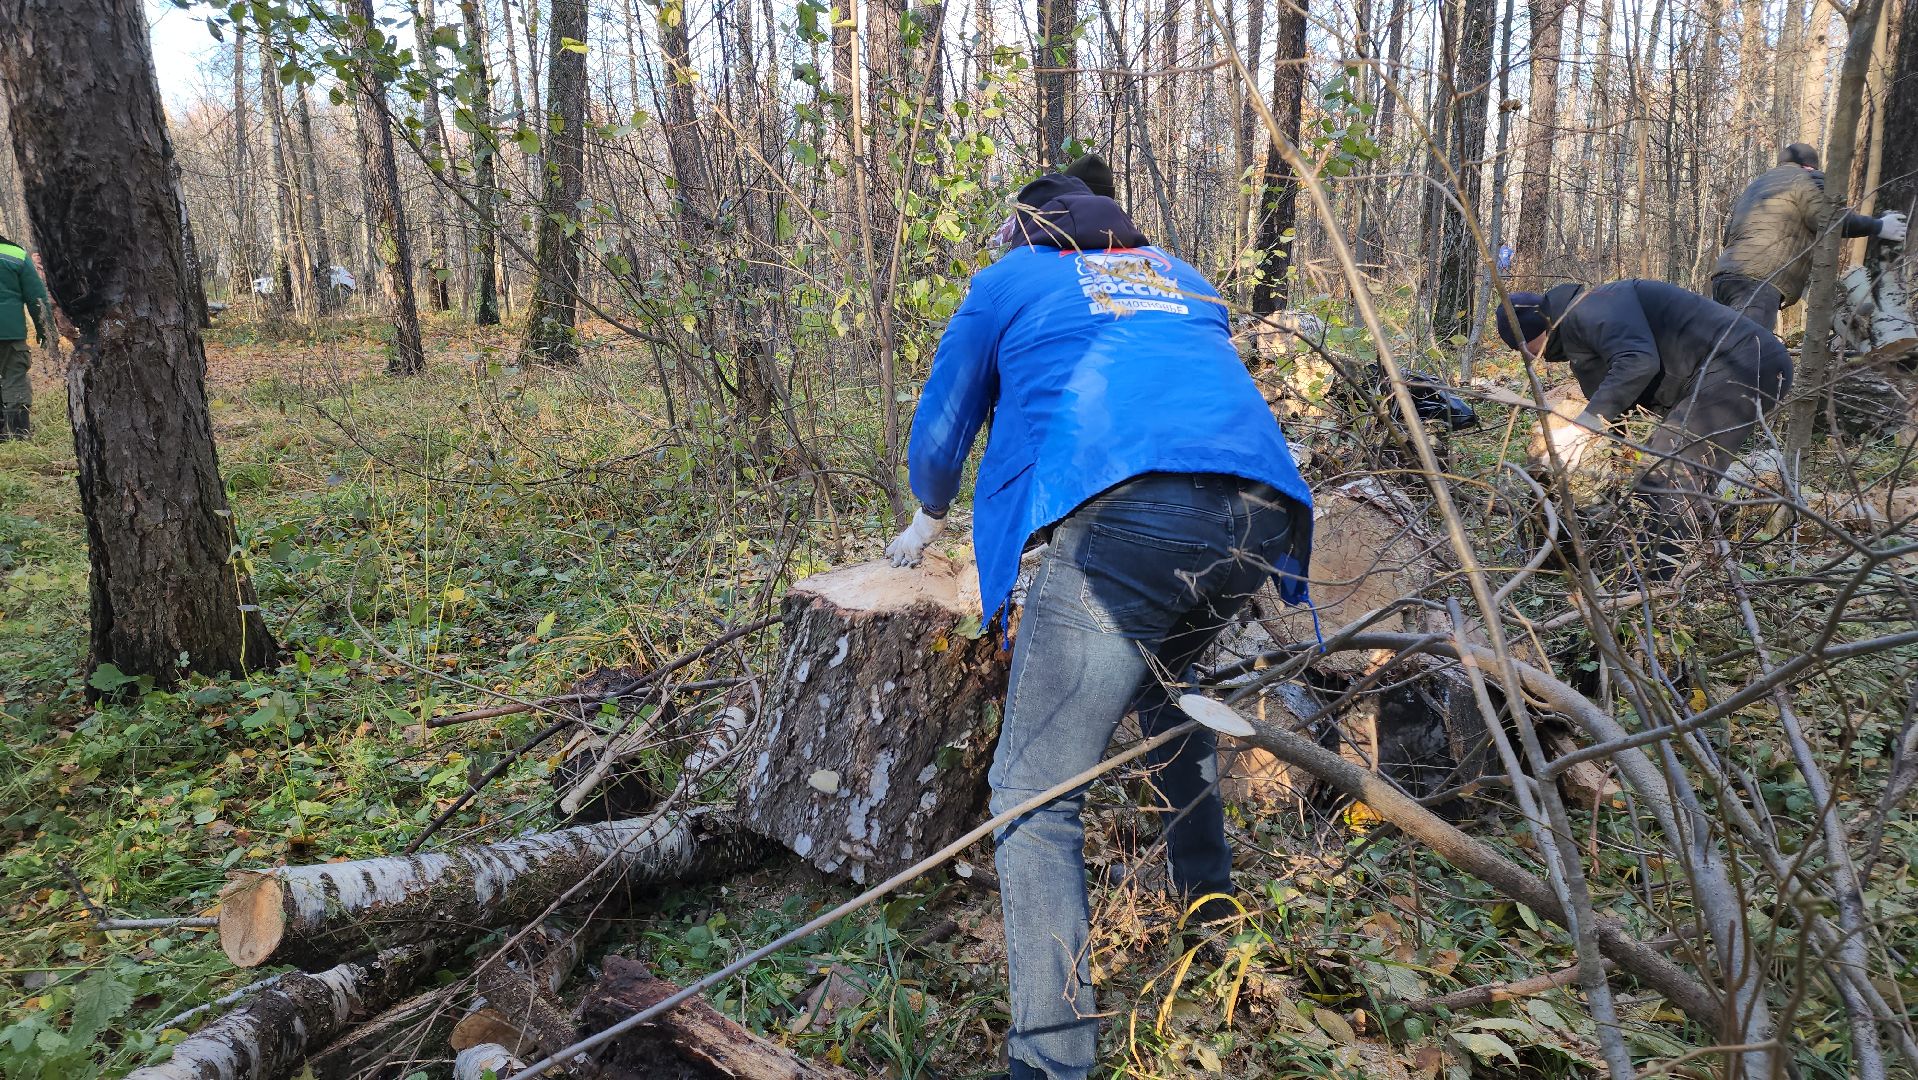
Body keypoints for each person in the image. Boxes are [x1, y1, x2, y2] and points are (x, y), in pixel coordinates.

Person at [886, 169, 1314, 1080]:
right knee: (1174, 699)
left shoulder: (1010, 277)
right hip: (1262, 512)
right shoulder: (1179, 274)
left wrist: (927, 516)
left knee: (1035, 796)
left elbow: (946, 416)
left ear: (1024, 230)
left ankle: (1050, 1064)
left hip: (1131, 517)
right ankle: (1212, 918)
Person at [1495, 280, 1792, 565]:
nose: (1528, 357)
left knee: (1668, 475)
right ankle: (1664, 561)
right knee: (1663, 474)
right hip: (1726, 370)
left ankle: (1656, 590)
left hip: (1743, 364)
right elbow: (1617, 411)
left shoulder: (1592, 308)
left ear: (1530, 332)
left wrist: (1581, 429)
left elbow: (1638, 361)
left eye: (1522, 348)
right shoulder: (1582, 336)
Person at [1711, 142, 1908, 333]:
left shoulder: (1756, 186)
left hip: (1724, 277)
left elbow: (1728, 235)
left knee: (1720, 347)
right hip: (1759, 282)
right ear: (1808, 167)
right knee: (1748, 350)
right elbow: (1828, 218)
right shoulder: (1802, 181)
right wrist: (1879, 226)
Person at [0, 233, 51, 440]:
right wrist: (45, 330)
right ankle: (18, 435)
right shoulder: (16, 254)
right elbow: (37, 297)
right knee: (14, 378)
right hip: (9, 331)